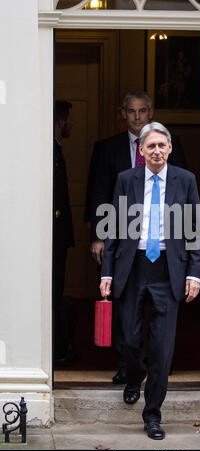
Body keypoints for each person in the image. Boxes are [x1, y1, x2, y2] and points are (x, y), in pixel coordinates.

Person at [99, 122, 200, 440]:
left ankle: (153, 415)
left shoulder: (185, 180)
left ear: (169, 148)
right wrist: (106, 272)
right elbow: (113, 228)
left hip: (168, 271)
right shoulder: (126, 180)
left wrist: (194, 273)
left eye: (162, 145)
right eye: (150, 146)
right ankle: (136, 373)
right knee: (129, 341)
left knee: (162, 348)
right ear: (141, 152)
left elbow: (195, 230)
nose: (157, 151)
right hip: (132, 268)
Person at [88, 91, 187, 385]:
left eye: (143, 111)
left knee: (161, 317)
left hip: (163, 245)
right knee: (125, 314)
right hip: (123, 241)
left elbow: (184, 193)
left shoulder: (170, 146)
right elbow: (100, 193)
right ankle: (129, 367)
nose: (137, 116)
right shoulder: (108, 148)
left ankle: (158, 367)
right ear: (123, 113)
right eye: (131, 111)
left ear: (151, 111)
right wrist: (99, 236)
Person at [53, 100, 76, 367]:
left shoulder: (57, 150)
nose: (72, 124)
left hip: (59, 235)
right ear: (61, 120)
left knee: (58, 290)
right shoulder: (52, 150)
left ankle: (60, 344)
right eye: (69, 119)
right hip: (54, 235)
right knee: (54, 290)